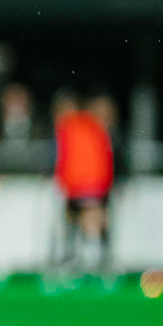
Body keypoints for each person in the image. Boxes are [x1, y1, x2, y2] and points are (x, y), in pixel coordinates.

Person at [53, 89, 115, 275]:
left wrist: (63, 181)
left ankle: (78, 259)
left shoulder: (70, 128)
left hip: (79, 184)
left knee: (80, 222)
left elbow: (65, 158)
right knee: (92, 223)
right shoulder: (94, 126)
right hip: (94, 184)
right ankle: (99, 260)